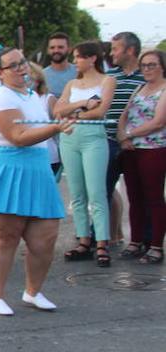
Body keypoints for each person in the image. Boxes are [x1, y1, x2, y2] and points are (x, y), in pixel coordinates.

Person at [0, 47, 71, 315]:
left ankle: (33, 292)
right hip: (5, 168)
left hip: (36, 169)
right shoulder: (1, 98)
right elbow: (17, 135)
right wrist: (55, 128)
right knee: (5, 237)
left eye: (23, 62)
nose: (22, 68)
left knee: (46, 237)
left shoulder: (32, 96)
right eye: (13, 65)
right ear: (1, 73)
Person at [54, 41, 115, 266]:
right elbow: (57, 110)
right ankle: (83, 240)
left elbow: (100, 111)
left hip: (93, 138)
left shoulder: (107, 80)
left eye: (78, 57)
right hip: (69, 138)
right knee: (77, 194)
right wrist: (82, 104)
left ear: (92, 58)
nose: (75, 61)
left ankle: (102, 243)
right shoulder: (72, 84)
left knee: (97, 192)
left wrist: (75, 115)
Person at [116, 49, 165, 265]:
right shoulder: (139, 88)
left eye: (152, 65)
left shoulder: (164, 90)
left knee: (154, 198)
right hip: (131, 149)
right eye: (143, 65)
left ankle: (155, 246)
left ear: (162, 66)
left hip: (154, 149)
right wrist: (122, 137)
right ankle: (135, 241)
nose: (147, 69)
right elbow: (124, 115)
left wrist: (130, 134)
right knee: (134, 198)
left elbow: (158, 122)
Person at [105, 31, 145, 247]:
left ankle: (144, 239)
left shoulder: (147, 77)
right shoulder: (110, 76)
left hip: (137, 143)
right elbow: (98, 101)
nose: (112, 53)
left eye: (115, 49)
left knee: (140, 193)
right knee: (104, 190)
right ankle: (104, 236)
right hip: (109, 140)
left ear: (130, 50)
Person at [42, 32, 77, 101]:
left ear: (69, 50)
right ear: (48, 50)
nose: (56, 50)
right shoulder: (41, 76)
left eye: (60, 47)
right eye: (52, 47)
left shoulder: (79, 73)